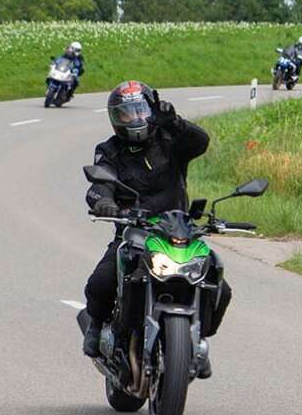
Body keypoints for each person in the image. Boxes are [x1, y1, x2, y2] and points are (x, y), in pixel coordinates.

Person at [82, 81, 231, 363]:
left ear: (150, 111)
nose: (134, 119)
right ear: (115, 118)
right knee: (103, 280)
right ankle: (96, 325)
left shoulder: (169, 140)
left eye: (139, 111)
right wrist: (105, 203)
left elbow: (201, 143)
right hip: (134, 231)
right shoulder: (109, 150)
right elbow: (99, 184)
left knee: (217, 281)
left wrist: (174, 122)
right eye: (126, 114)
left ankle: (194, 338)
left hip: (178, 230)